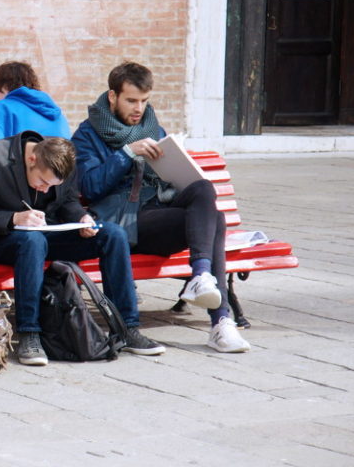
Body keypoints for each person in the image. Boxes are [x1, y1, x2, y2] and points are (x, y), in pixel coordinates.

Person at [71, 62, 251, 353]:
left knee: (205, 193)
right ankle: (220, 320)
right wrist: (128, 153)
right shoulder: (86, 135)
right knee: (215, 220)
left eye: (144, 101)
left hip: (158, 210)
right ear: (113, 96)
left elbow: (169, 180)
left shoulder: (153, 128)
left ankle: (204, 283)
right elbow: (89, 187)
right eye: (131, 100)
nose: (138, 108)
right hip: (124, 223)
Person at [0, 131, 166, 366]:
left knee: (113, 234)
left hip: (48, 235)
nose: (46, 190)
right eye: (43, 182)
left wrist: (82, 218)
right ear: (32, 159)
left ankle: (126, 328)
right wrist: (15, 218)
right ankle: (30, 333)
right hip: (1, 240)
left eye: (51, 185)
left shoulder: (63, 160)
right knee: (32, 242)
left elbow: (68, 202)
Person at [0, 61, 70, 162]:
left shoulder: (1, 108)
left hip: (13, 178)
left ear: (5, 86)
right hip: (57, 178)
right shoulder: (60, 117)